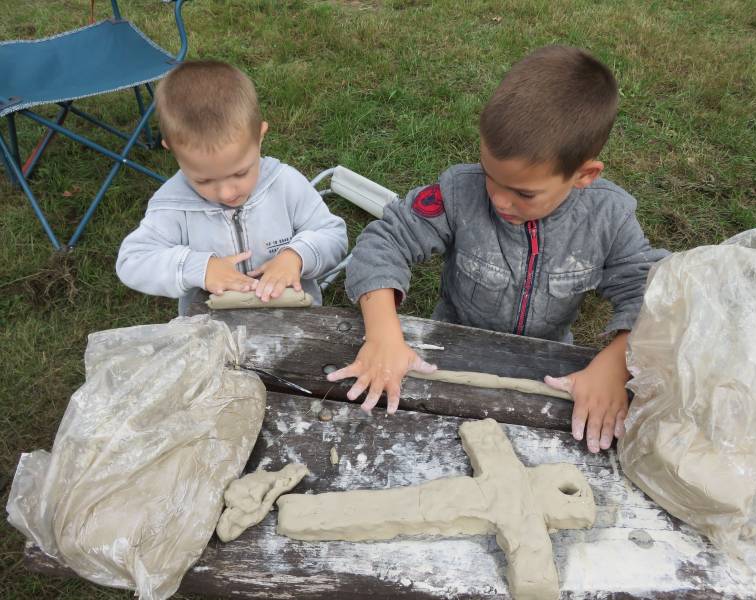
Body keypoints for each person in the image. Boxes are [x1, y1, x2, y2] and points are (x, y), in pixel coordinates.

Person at [328, 45, 668, 454]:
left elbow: (652, 292)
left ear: (584, 175)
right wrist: (383, 333)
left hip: (549, 368)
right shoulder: (460, 192)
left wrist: (615, 361)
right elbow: (386, 240)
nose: (499, 200)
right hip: (446, 353)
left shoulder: (608, 218)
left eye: (524, 192)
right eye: (491, 176)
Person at [116, 60, 347, 315]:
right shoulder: (172, 204)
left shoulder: (285, 184)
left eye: (240, 172)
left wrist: (296, 256)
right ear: (172, 151)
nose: (227, 193)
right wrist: (199, 268)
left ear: (259, 136)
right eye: (203, 180)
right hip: (211, 328)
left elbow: (333, 235)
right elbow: (132, 261)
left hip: (294, 320)